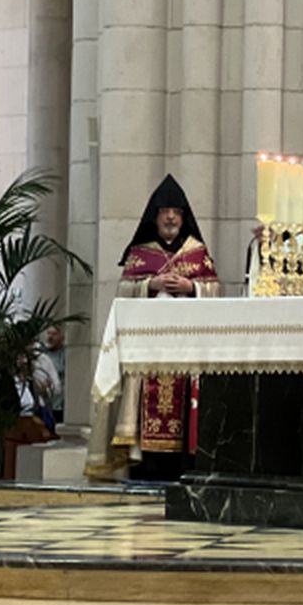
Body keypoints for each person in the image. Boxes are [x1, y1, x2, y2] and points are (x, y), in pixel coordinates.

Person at [91, 175, 221, 481]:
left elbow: (215, 291)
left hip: (186, 351)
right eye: (165, 211)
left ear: (184, 216)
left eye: (176, 211)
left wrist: (192, 287)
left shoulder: (198, 253)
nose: (171, 217)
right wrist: (151, 284)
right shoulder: (140, 253)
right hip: (147, 354)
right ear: (156, 215)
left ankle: (183, 465)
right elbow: (122, 291)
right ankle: (144, 463)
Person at [39, 325, 66, 424]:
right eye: (48, 333)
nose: (50, 337)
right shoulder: (41, 353)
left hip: (59, 404)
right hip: (42, 403)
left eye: (54, 334)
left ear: (61, 338)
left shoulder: (65, 354)